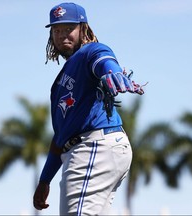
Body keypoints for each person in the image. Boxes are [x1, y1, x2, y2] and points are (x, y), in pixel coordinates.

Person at [33, 2, 146, 215]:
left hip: (94, 147)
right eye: (57, 30)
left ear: (83, 29)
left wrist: (111, 72)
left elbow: (103, 58)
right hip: (91, 149)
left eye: (69, 28)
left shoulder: (89, 52)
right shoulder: (60, 83)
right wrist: (45, 180)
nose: (62, 34)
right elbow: (60, 138)